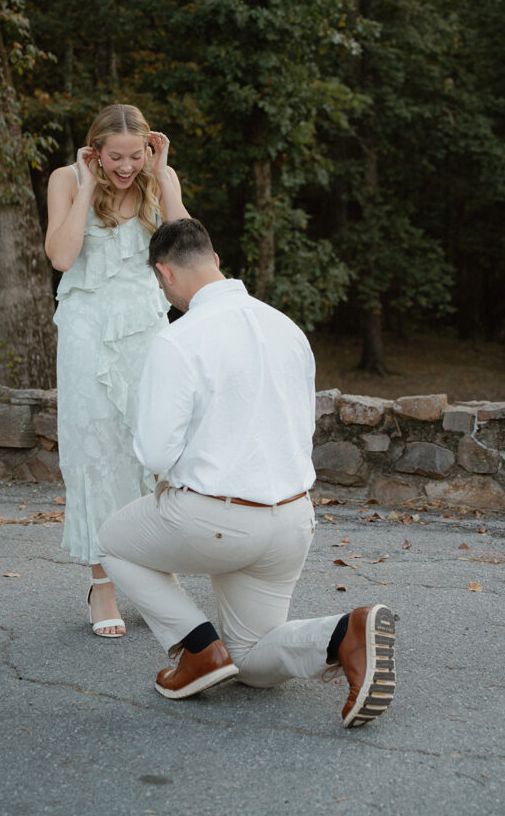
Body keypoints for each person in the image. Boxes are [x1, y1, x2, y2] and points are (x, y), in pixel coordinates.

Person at [97, 218, 396, 727]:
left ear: (163, 274)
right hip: (291, 521)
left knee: (111, 542)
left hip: (214, 520)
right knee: (256, 663)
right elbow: (301, 427)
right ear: (214, 260)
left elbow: (153, 453)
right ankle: (345, 631)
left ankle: (196, 648)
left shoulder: (178, 339)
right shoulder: (288, 328)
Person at [45, 104, 189, 638]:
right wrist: (85, 186)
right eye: (115, 158)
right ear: (95, 151)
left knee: (153, 447)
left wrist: (163, 174)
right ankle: (101, 580)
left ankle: (156, 577)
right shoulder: (67, 178)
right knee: (96, 448)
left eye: (136, 156)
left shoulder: (156, 179)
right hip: (86, 328)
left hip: (145, 329)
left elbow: (187, 248)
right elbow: (62, 256)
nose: (125, 167)